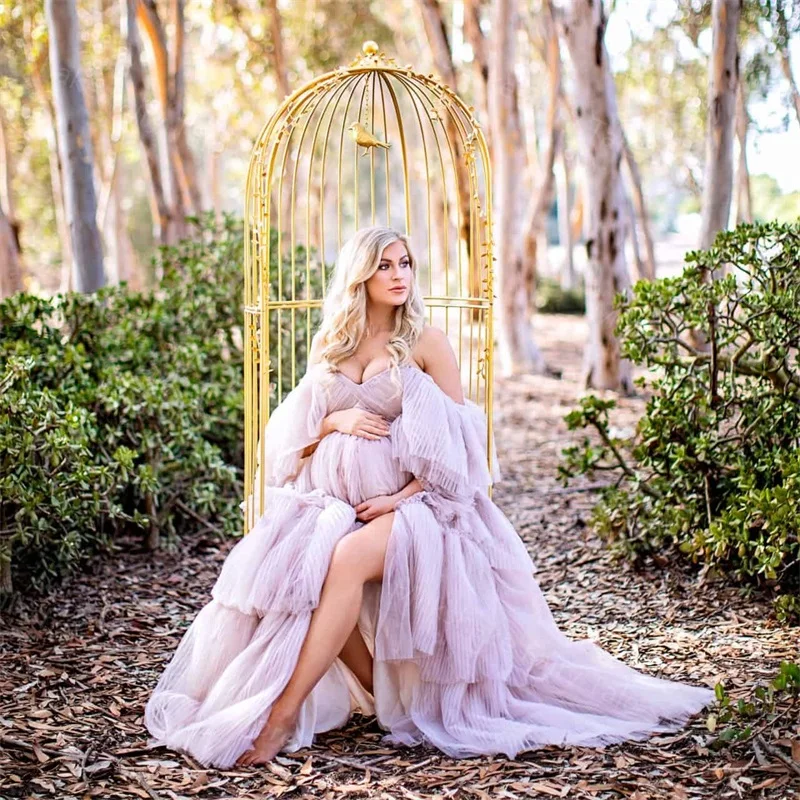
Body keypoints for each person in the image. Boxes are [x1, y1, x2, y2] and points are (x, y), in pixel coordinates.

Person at [144, 225, 715, 769]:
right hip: (341, 504)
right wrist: (338, 420)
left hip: (428, 507)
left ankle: (281, 716)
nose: (399, 275)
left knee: (343, 559)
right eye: (384, 265)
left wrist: (401, 498)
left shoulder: (425, 342)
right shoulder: (332, 344)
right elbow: (296, 437)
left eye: (405, 263)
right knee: (306, 564)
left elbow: (462, 447)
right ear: (360, 275)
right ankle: (383, 697)